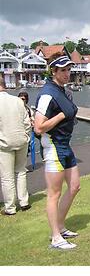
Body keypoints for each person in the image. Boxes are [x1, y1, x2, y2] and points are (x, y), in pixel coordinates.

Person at [34, 53, 80, 250]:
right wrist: (62, 115)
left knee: (75, 187)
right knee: (54, 194)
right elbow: (38, 127)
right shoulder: (47, 94)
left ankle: (60, 226)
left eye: (69, 69)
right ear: (54, 71)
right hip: (53, 146)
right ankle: (55, 238)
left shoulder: (62, 90)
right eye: (63, 70)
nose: (67, 73)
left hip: (65, 145)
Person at [0, 75, 31, 216]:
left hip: (4, 143)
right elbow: (27, 122)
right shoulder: (18, 101)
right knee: (21, 171)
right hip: (21, 140)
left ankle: (10, 207)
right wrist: (26, 137)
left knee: (7, 177)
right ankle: (24, 202)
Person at [18, 91, 36, 172]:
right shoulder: (14, 108)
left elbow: (32, 119)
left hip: (26, 134)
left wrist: (33, 122)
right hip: (16, 132)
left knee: (25, 151)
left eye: (23, 99)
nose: (21, 101)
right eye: (20, 99)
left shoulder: (28, 109)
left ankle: (22, 166)